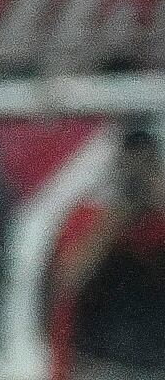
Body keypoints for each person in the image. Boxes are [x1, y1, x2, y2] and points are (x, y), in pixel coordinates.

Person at [61, 125, 165, 379]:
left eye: (147, 168)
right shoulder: (89, 216)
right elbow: (67, 280)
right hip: (100, 361)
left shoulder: (160, 222)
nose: (138, 180)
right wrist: (115, 220)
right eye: (130, 170)